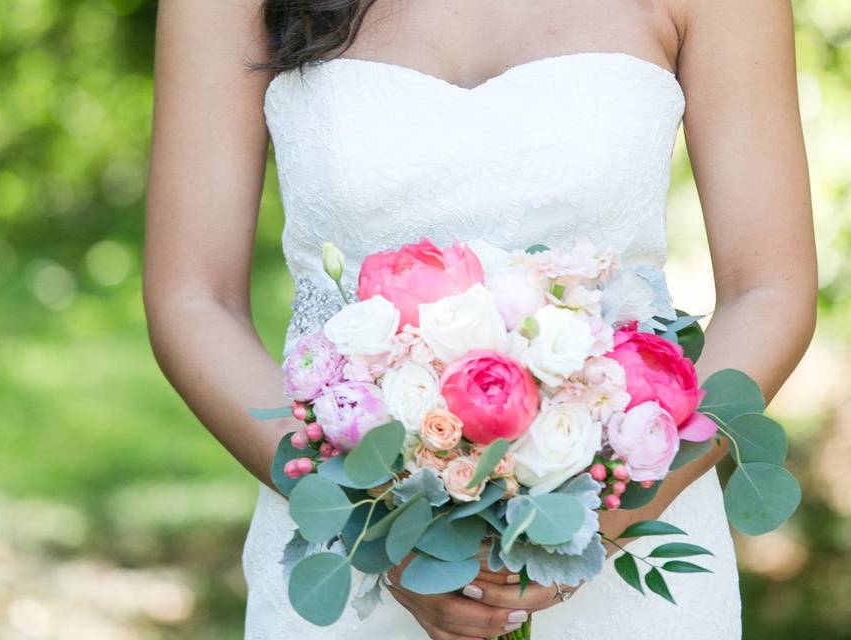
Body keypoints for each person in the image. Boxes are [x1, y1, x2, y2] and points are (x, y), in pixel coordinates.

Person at [143, 1, 817, 638]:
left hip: (629, 548)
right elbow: (194, 298)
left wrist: (594, 524)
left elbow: (769, 289)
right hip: (349, 544)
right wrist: (378, 529)